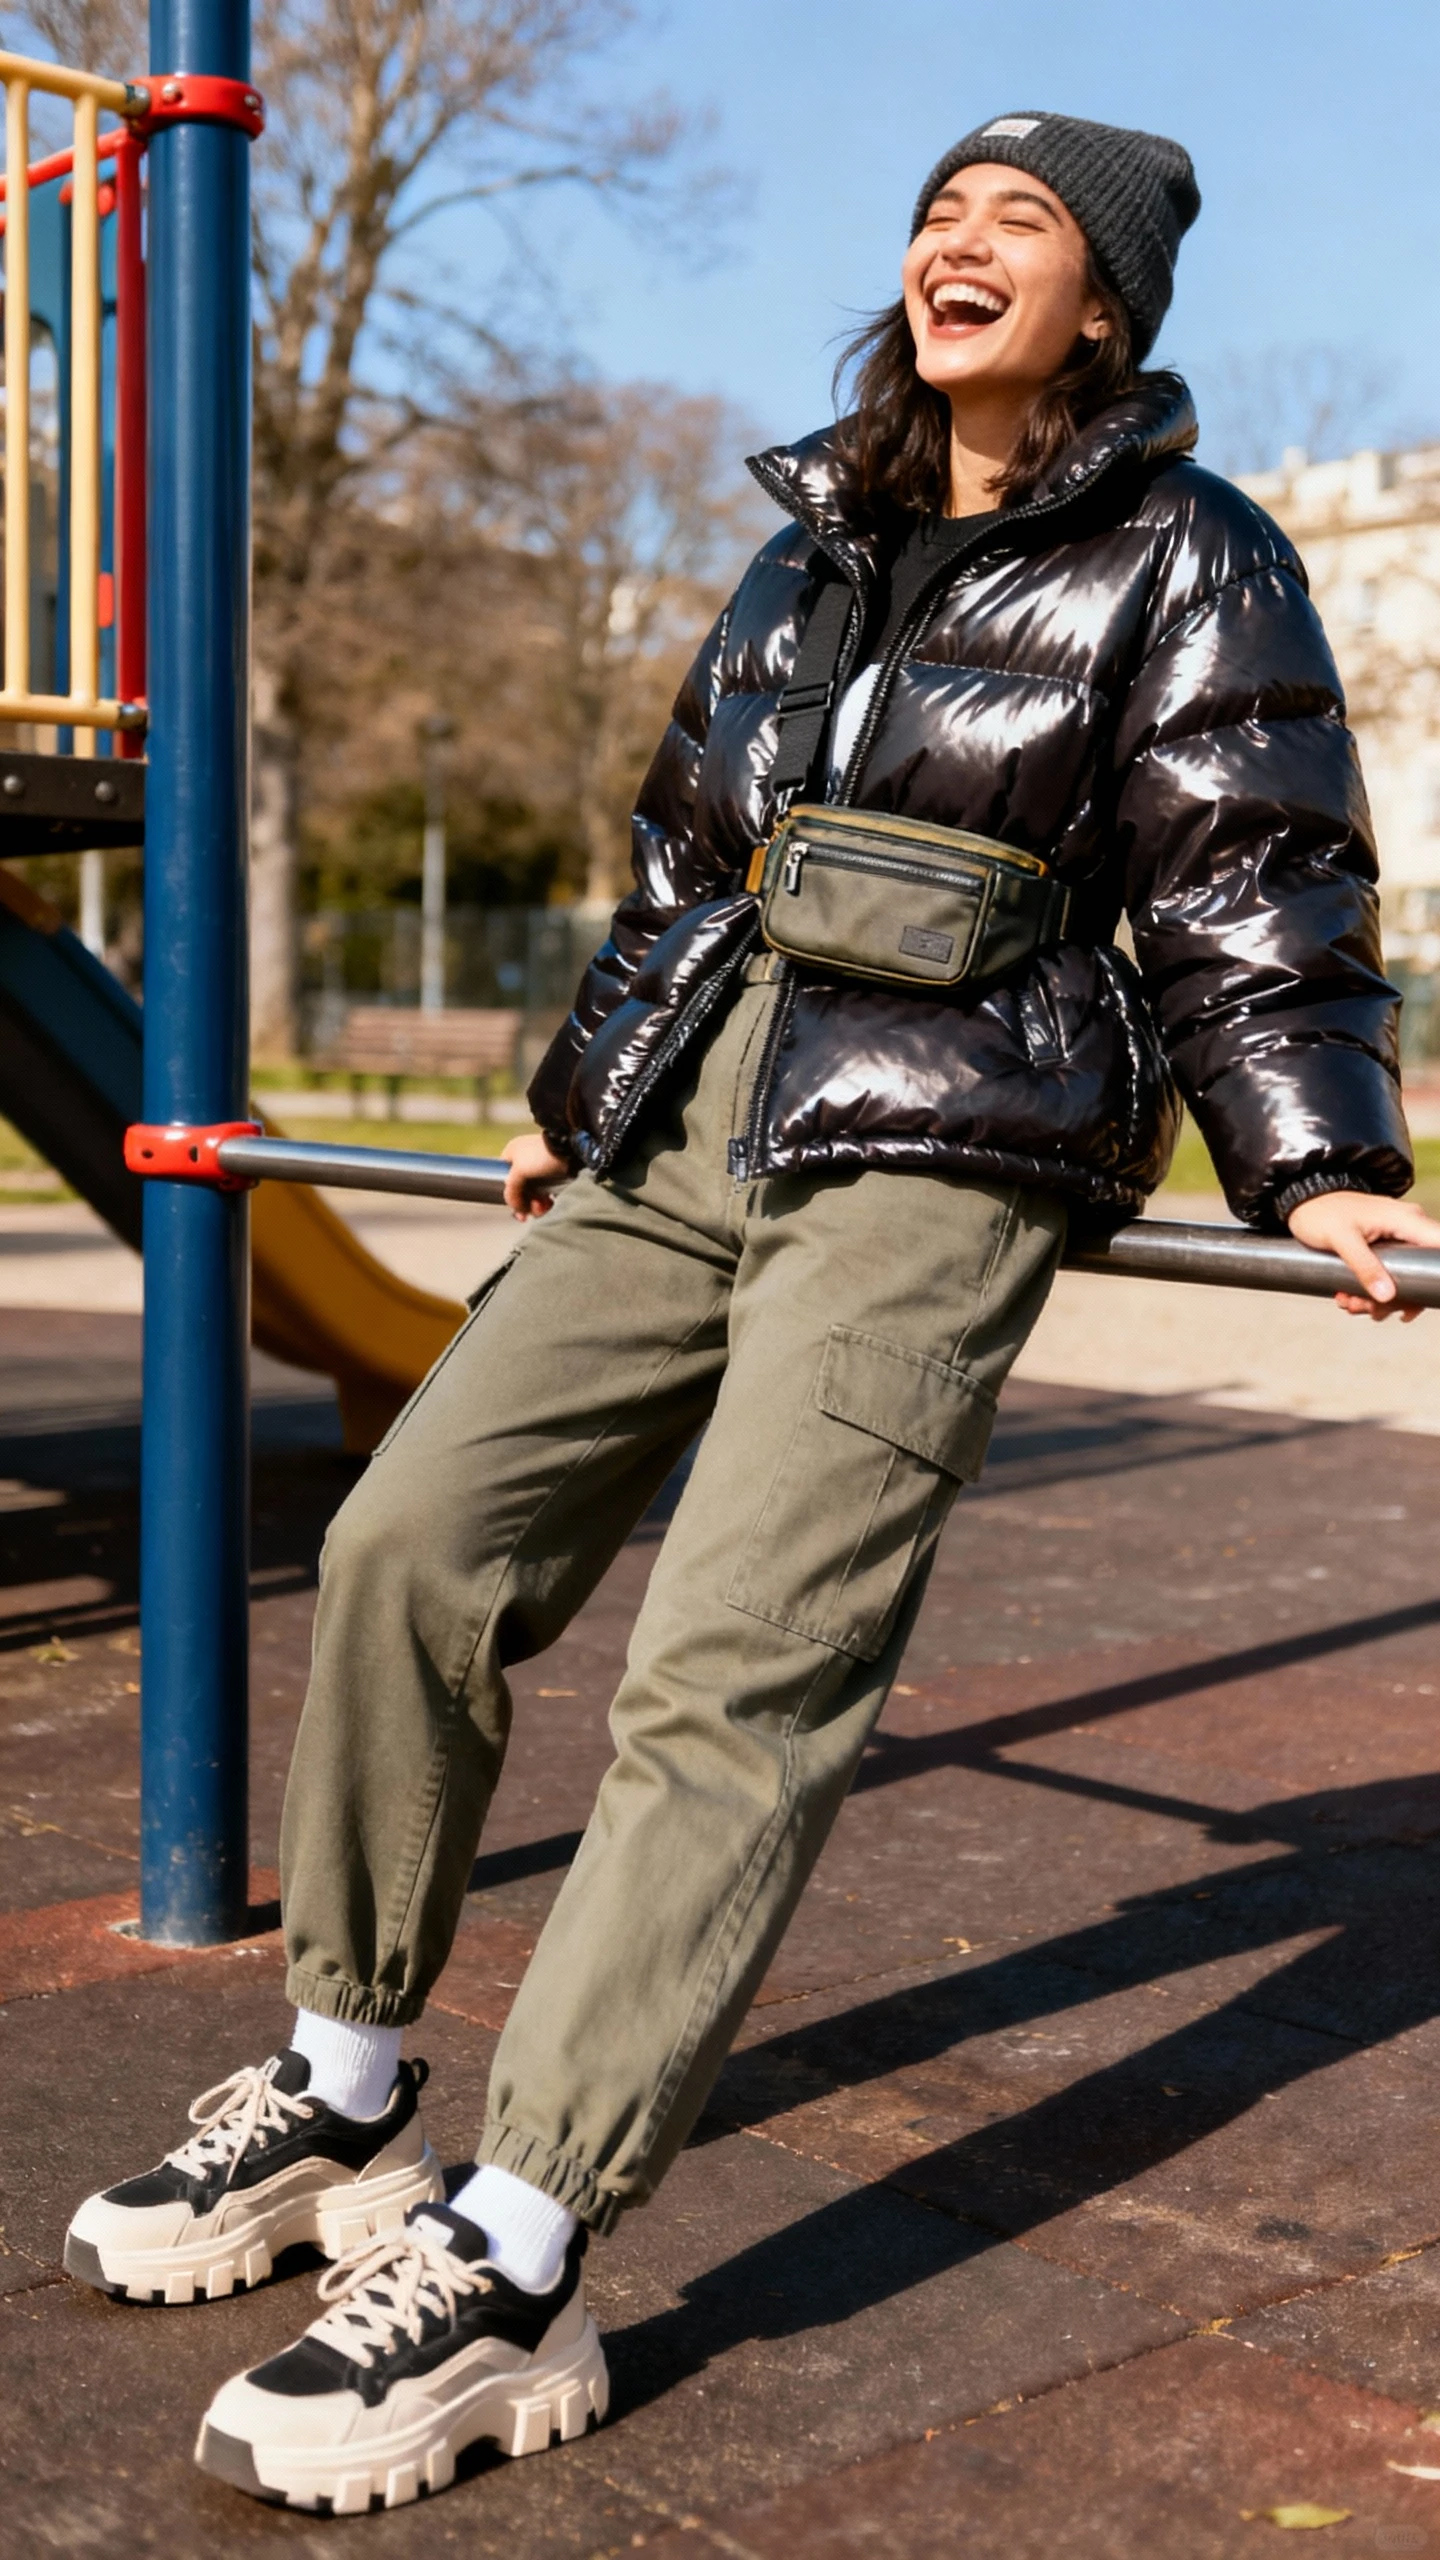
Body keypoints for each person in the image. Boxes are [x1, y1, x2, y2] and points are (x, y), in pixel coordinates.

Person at [67, 109, 1440, 2513]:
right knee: (411, 1543)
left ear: (1104, 304)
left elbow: (1255, 863)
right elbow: (690, 844)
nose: (958, 242)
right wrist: (583, 1085)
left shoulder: (1185, 556)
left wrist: (1317, 1160)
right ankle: (352, 2088)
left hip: (948, 1136)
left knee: (731, 1669)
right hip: (702, 1104)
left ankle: (520, 2243)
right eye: (937, 211)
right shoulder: (821, 536)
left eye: (1019, 224)